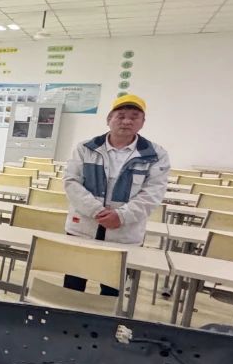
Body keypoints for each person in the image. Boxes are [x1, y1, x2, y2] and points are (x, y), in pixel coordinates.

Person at [62, 95, 170, 295]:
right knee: (73, 286)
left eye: (134, 116)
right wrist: (96, 211)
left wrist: (121, 216)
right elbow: (71, 182)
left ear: (142, 122)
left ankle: (106, 316)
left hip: (124, 232)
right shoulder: (86, 148)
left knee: (112, 290)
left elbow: (153, 192)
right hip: (83, 227)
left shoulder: (155, 155)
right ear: (109, 119)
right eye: (121, 116)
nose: (127, 121)